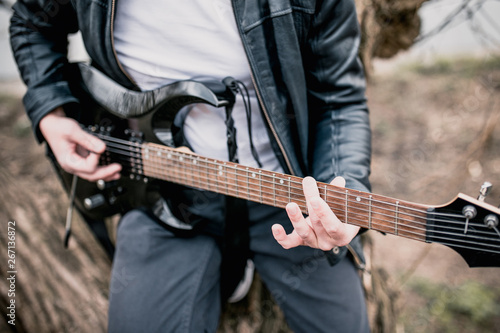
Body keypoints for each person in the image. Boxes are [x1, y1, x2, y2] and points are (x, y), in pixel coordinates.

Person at [10, 0, 372, 332]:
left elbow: (339, 96)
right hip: (159, 191)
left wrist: (343, 191)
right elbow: (33, 21)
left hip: (289, 194)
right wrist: (51, 114)